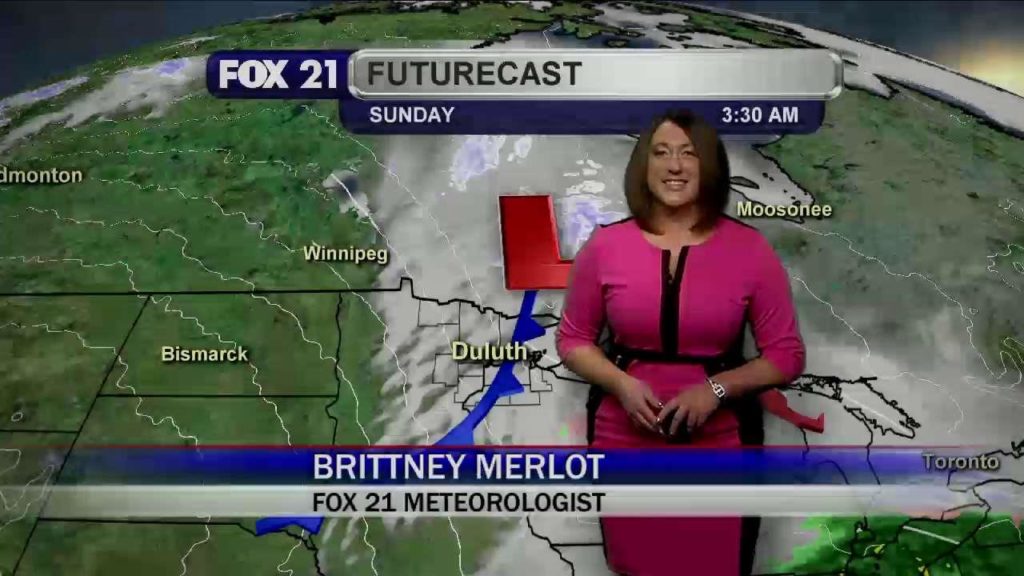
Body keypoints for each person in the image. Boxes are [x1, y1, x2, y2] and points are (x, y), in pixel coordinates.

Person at [555, 109, 806, 576]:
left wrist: (715, 390)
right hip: (623, 442)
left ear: (709, 165)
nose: (675, 165)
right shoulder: (605, 247)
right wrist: (622, 384)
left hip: (722, 447)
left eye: (689, 153)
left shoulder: (750, 250)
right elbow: (573, 340)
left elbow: (786, 356)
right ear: (644, 165)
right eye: (662, 153)